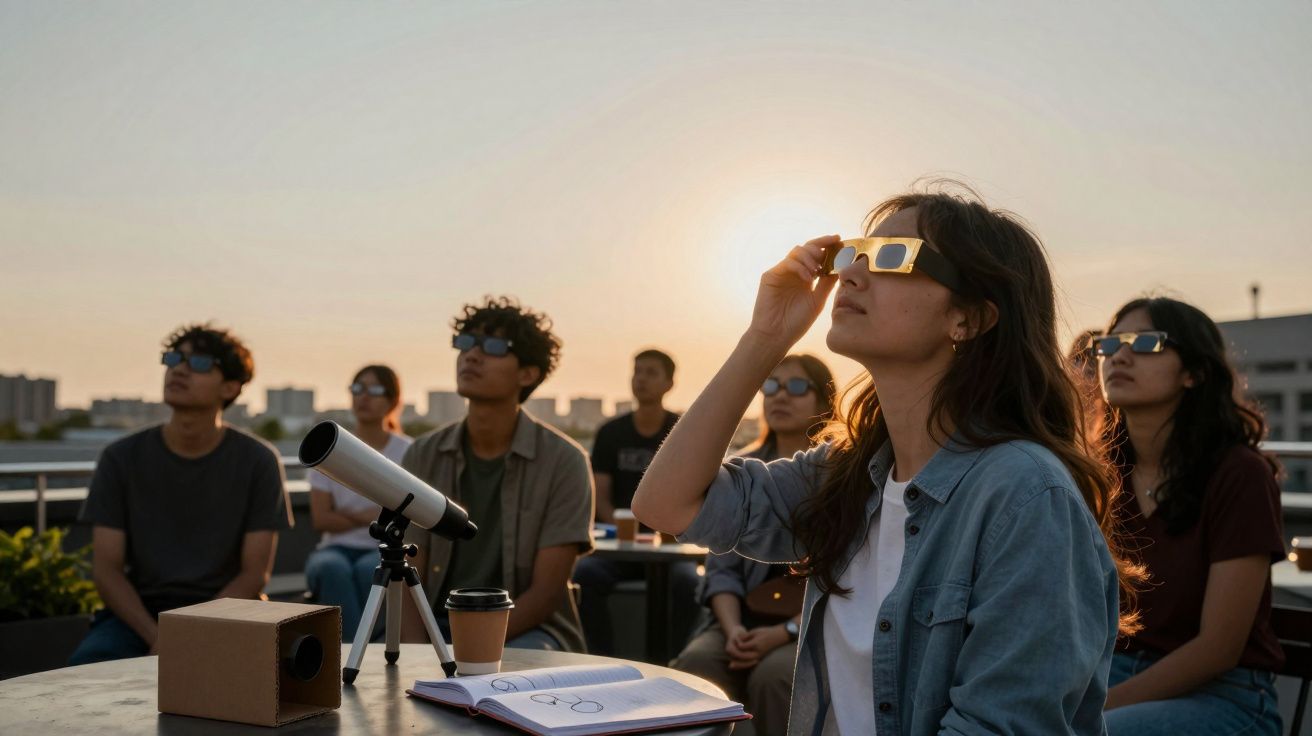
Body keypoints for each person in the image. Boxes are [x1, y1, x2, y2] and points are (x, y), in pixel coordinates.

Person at [632, 184, 1140, 735]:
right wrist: (765, 337)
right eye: (853, 254)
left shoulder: (1026, 497)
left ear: (968, 319)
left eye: (894, 256)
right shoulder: (850, 475)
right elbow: (665, 504)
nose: (849, 274)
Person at [1095, 297, 1285, 735]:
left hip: (1225, 697)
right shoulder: (1101, 475)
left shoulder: (1239, 474)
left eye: (1146, 342)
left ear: (1194, 373)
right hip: (1111, 677)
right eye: (1110, 344)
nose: (1120, 356)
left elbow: (1218, 649)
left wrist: (1091, 709)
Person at [70, 323, 291, 665]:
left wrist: (190, 632)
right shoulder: (120, 458)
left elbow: (253, 575)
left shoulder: (259, 461)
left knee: (265, 685)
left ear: (230, 386)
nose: (179, 369)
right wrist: (159, 636)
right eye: (174, 358)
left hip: (229, 612)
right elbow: (107, 571)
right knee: (87, 669)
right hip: (138, 616)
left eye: (200, 363)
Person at [400, 296, 594, 652]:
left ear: (528, 373)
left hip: (528, 631)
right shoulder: (423, 455)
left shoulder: (564, 461)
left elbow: (546, 594)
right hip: (435, 628)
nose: (472, 355)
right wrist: (414, 657)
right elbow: (407, 570)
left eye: (493, 346)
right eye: (466, 343)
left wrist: (466, 649)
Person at [673, 353, 836, 736]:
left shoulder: (839, 475)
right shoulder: (735, 472)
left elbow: (842, 580)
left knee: (775, 676)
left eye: (797, 386)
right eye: (771, 385)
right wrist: (732, 631)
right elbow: (721, 572)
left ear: (825, 401)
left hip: (808, 624)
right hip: (738, 620)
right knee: (695, 664)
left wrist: (784, 633)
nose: (780, 396)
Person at [572, 348, 695, 655]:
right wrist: (620, 525)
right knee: (585, 575)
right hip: (620, 546)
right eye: (637, 371)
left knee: (688, 584)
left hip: (669, 546)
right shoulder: (611, 433)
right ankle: (602, 661)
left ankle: (674, 662)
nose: (641, 379)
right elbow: (600, 495)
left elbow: (692, 492)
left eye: (651, 373)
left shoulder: (684, 431)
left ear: (669, 383)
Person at [304, 365, 412, 641]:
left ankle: (357, 651)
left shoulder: (408, 452)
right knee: (330, 568)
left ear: (392, 399)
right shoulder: (329, 449)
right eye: (357, 388)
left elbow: (411, 513)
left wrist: (346, 514)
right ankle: (352, 651)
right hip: (334, 548)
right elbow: (321, 519)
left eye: (375, 390)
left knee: (370, 569)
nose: (364, 397)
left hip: (383, 548)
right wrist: (374, 516)